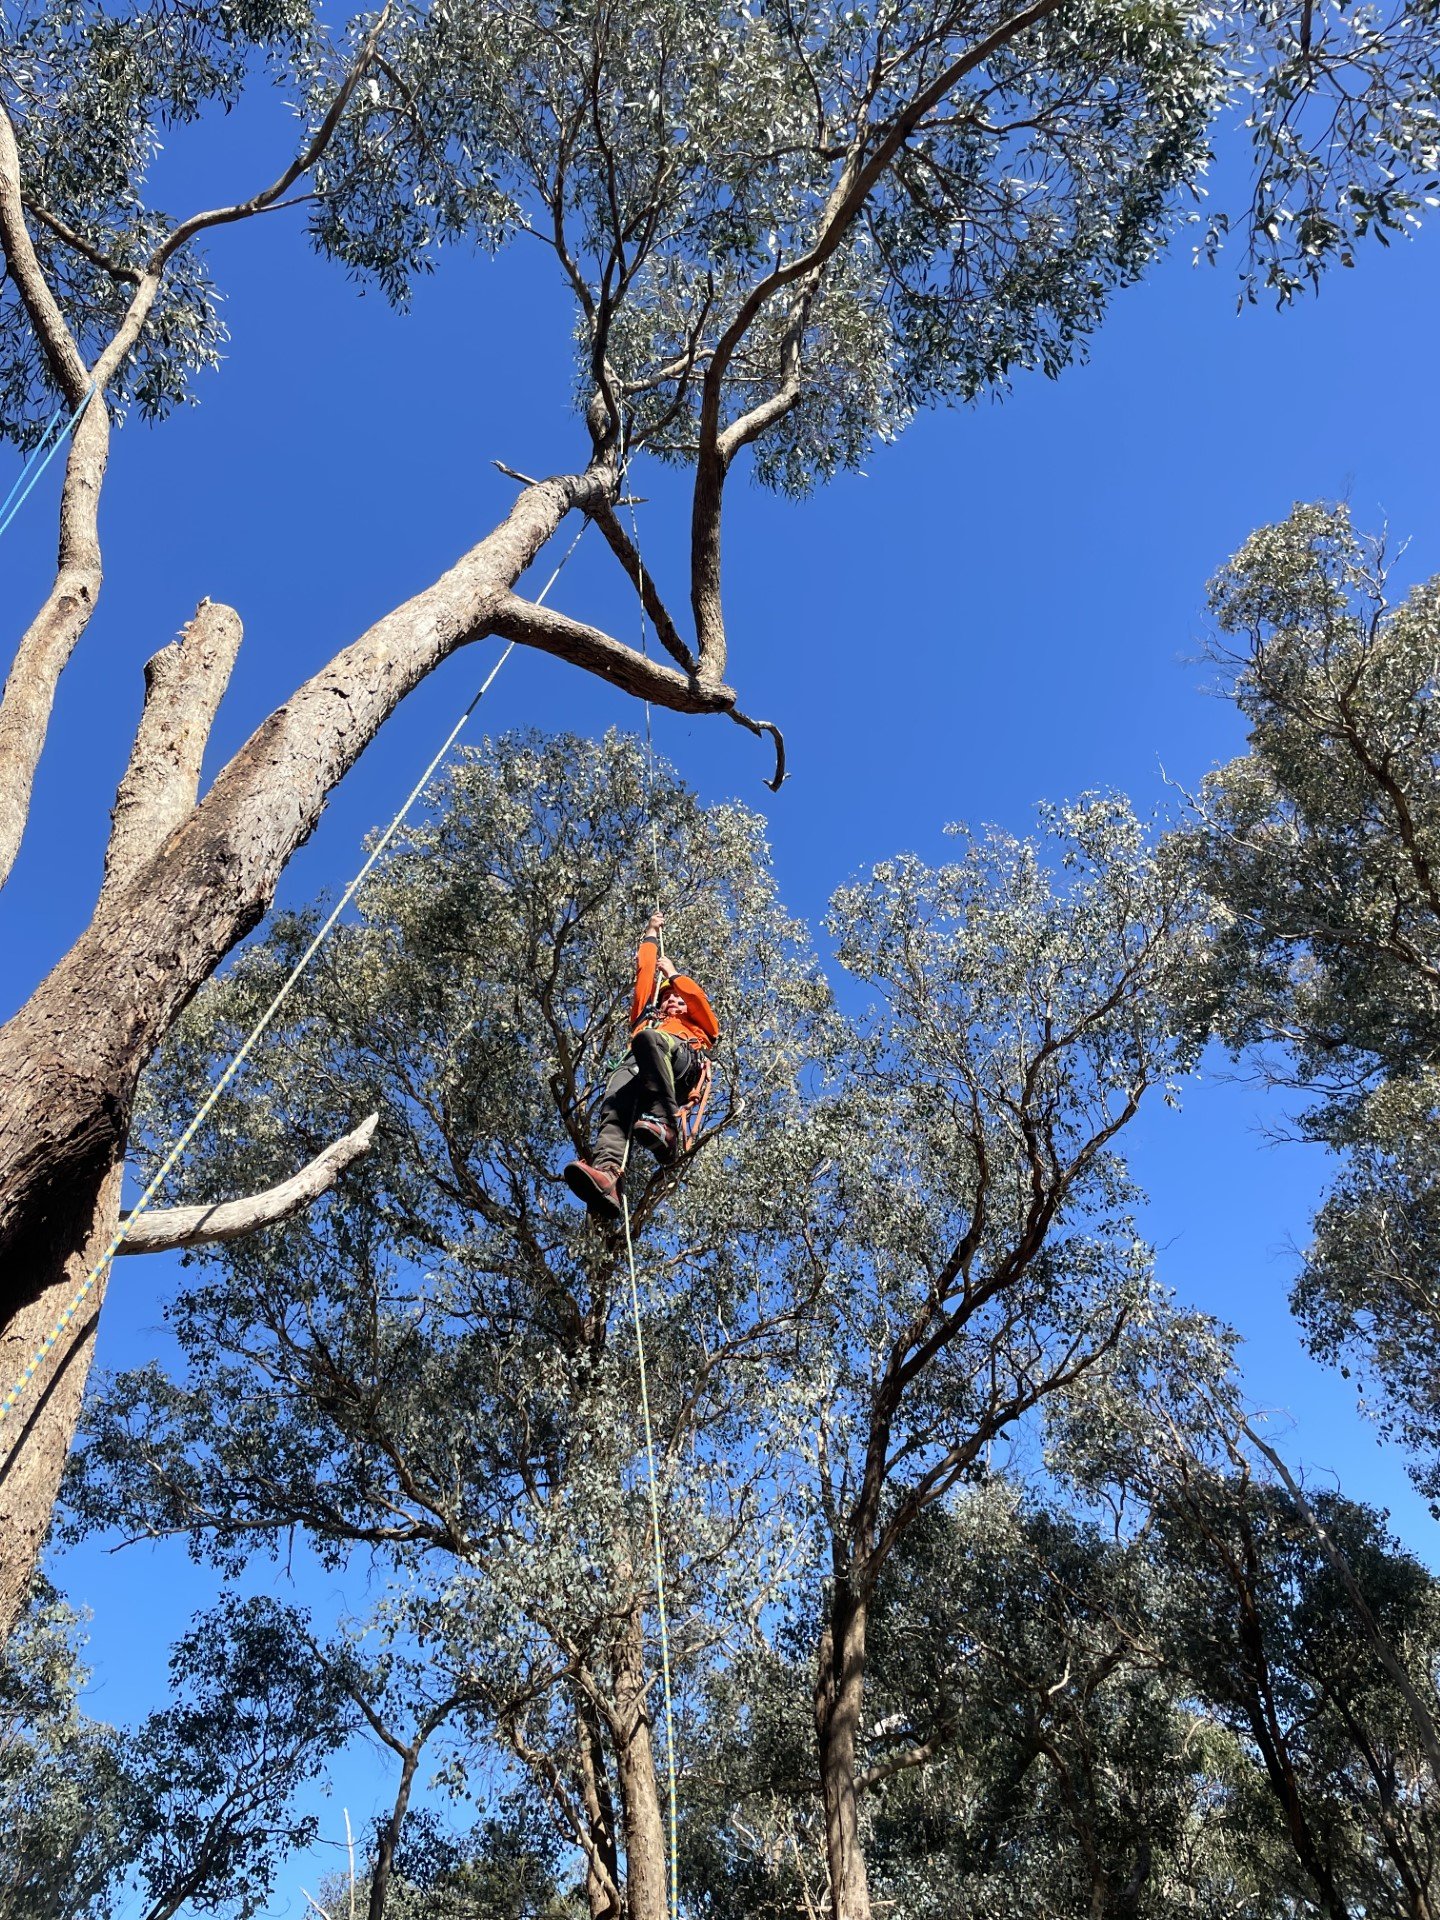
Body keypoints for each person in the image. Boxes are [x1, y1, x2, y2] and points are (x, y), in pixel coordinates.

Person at [563, 910, 719, 1218]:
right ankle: (608, 1178)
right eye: (667, 997)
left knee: (649, 1040)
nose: (673, 1000)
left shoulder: (699, 1025)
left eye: (679, 998)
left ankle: (667, 1125)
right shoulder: (647, 1018)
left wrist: (674, 974)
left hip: (679, 1063)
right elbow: (645, 973)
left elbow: (698, 1001)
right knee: (614, 1108)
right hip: (639, 1068)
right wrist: (650, 932)